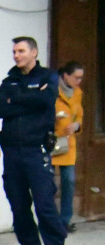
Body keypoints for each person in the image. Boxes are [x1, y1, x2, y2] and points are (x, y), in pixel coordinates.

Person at [0, 36, 69, 245]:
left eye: (21, 51)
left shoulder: (48, 77)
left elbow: (46, 101)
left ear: (34, 53)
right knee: (18, 204)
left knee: (44, 203)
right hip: (13, 152)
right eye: (14, 51)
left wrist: (15, 100)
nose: (16, 55)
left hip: (36, 150)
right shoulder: (9, 80)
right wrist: (30, 99)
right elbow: (0, 108)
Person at [52, 61, 84, 234]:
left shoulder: (78, 93)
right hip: (51, 141)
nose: (79, 81)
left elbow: (80, 115)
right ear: (66, 76)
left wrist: (77, 126)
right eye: (76, 77)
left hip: (67, 143)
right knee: (48, 184)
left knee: (69, 181)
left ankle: (65, 220)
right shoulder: (52, 90)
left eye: (81, 78)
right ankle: (49, 219)